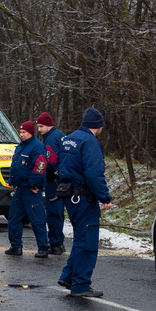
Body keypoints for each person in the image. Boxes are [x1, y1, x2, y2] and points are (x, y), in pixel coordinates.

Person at [57, 108, 113, 297]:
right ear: (99, 127)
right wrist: (104, 197)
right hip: (82, 196)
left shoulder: (68, 139)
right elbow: (93, 173)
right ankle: (80, 285)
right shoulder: (90, 142)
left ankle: (68, 276)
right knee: (87, 241)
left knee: (81, 238)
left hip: (68, 195)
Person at [5, 121, 49, 258]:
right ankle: (15, 246)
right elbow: (16, 165)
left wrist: (34, 183)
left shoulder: (37, 147)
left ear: (31, 132)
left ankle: (43, 247)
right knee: (14, 218)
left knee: (37, 219)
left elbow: (40, 166)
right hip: (20, 189)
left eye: (24, 132)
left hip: (31, 189)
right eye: (21, 132)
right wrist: (12, 180)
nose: (22, 135)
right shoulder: (20, 146)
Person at [36, 112, 67, 255]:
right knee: (59, 212)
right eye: (38, 126)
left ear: (49, 125)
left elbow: (50, 161)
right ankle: (59, 242)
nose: (39, 130)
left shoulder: (51, 139)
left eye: (41, 126)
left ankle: (55, 243)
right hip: (62, 180)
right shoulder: (61, 136)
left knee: (53, 212)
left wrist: (40, 175)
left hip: (53, 180)